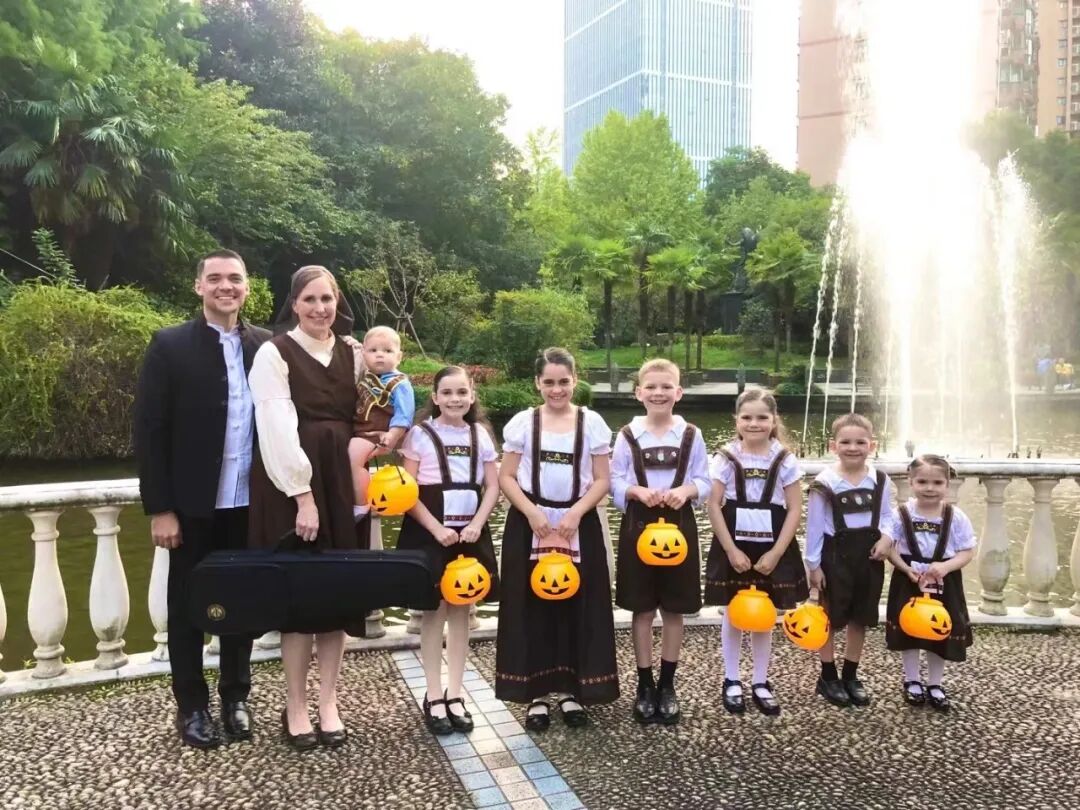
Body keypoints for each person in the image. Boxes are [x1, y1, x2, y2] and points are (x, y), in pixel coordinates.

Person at [134, 249, 271, 749]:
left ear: (247, 286)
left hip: (250, 503)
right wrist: (160, 508)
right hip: (192, 506)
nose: (225, 286)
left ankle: (236, 697)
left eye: (234, 278)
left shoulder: (266, 346)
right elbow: (149, 431)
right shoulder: (170, 345)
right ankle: (192, 706)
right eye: (215, 278)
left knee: (242, 604)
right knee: (186, 607)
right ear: (199, 287)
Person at [247, 265, 366, 751]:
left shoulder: (354, 354)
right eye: (310, 299)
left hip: (340, 481)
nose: (320, 308)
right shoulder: (274, 353)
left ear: (338, 303)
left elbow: (372, 414)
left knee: (338, 596)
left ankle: (329, 701)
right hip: (293, 483)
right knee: (298, 599)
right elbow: (274, 426)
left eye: (327, 299)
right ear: (294, 304)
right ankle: (295, 704)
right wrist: (302, 495)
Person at [495, 347, 618, 730]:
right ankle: (536, 693)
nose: (556, 389)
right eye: (548, 382)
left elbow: (602, 479)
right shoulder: (523, 423)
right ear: (537, 383)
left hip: (576, 521)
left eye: (563, 381)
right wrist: (531, 512)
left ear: (575, 380)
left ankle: (570, 690)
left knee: (576, 605)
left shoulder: (591, 423)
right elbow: (506, 476)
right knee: (531, 606)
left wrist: (577, 513)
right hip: (530, 523)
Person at [397, 366, 501, 736]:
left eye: (461, 392)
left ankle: (455, 693)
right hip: (431, 532)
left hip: (469, 533)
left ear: (472, 396)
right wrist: (435, 528)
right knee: (433, 613)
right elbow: (406, 490)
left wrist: (477, 523)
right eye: (447, 392)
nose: (455, 399)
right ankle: (433, 694)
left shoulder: (480, 434)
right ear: (435, 397)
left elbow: (493, 486)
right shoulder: (420, 435)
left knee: (462, 611)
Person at [611, 359, 709, 725]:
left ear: (678, 392)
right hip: (639, 526)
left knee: (673, 609)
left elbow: (705, 479)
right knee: (642, 609)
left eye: (666, 387)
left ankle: (667, 685)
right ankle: (644, 683)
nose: (658, 393)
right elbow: (614, 480)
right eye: (651, 387)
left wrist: (686, 491)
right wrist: (636, 491)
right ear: (639, 393)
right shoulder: (627, 435)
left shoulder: (691, 434)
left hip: (679, 528)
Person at [704, 388, 807, 717]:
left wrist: (777, 553)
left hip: (771, 544)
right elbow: (713, 505)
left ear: (774, 420)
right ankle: (732, 679)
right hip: (734, 542)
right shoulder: (726, 457)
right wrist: (730, 549)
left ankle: (761, 681)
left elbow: (794, 508)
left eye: (762, 417)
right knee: (733, 612)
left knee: (765, 613)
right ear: (736, 420)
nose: (754, 423)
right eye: (747, 417)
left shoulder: (784, 459)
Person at [804, 413, 895, 708]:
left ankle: (851, 674)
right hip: (834, 556)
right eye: (845, 442)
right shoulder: (824, 482)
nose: (853, 448)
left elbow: (888, 516)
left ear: (872, 445)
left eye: (860, 442)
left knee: (860, 617)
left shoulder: (880, 480)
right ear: (833, 446)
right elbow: (814, 527)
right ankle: (828, 675)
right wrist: (813, 566)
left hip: (868, 556)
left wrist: (886, 538)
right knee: (830, 618)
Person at [885, 454, 976, 712]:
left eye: (937, 483)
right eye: (922, 481)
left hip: (944, 580)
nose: (929, 488)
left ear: (947, 484)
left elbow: (967, 551)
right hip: (909, 578)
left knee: (939, 630)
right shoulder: (901, 514)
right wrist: (904, 568)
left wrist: (946, 566)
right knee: (910, 629)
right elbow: (889, 546)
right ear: (910, 482)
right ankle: (912, 679)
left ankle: (935, 683)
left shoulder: (956, 516)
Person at [347, 326, 414, 519]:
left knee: (352, 460)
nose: (379, 355)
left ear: (399, 357)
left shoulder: (400, 383)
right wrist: (354, 346)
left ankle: (361, 503)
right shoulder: (366, 376)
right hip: (359, 429)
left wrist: (393, 435)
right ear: (364, 354)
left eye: (387, 351)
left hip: (377, 433)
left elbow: (404, 414)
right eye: (373, 350)